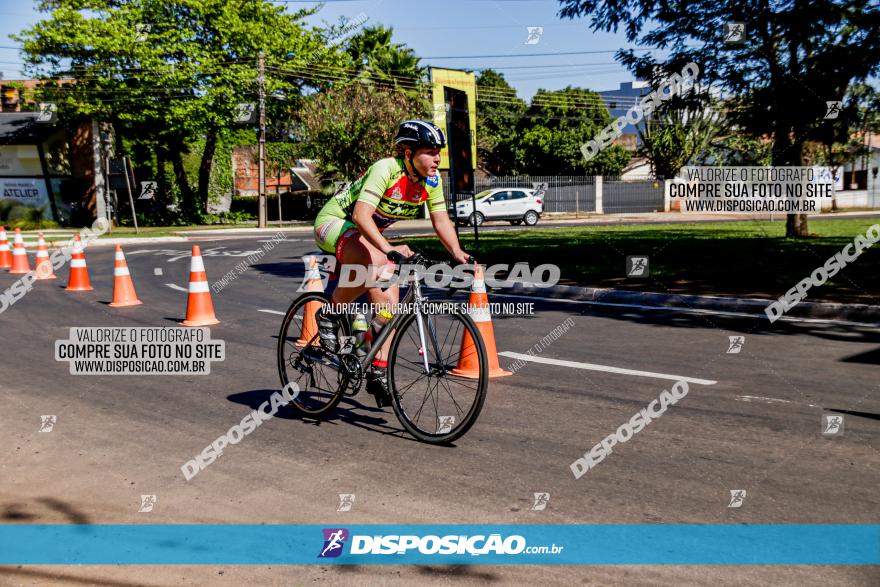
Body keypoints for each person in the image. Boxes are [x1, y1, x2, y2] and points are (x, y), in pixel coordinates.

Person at [312, 120, 473, 407]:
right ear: (408, 151)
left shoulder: (431, 181)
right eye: (430, 151)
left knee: (389, 307)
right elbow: (361, 216)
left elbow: (440, 220)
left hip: (365, 235)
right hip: (335, 222)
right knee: (376, 259)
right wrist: (389, 249)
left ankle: (376, 369)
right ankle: (329, 312)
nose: (437, 158)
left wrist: (458, 253)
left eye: (439, 151)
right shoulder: (386, 168)